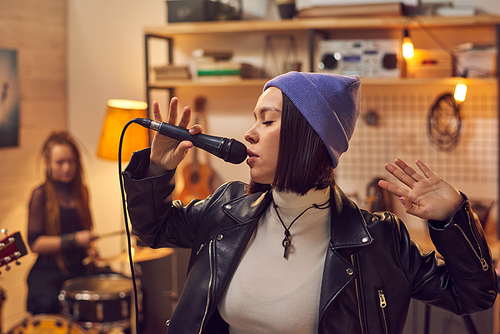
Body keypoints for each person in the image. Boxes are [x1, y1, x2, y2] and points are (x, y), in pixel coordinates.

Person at [123, 72, 498, 334]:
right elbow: (151, 229)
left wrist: (453, 219)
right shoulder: (226, 209)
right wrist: (156, 170)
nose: (249, 133)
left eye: (267, 121)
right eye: (254, 119)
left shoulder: (380, 240)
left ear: (309, 136)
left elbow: (474, 294)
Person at [26, 131, 99, 315]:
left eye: (71, 161)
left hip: (79, 266)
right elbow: (35, 243)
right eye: (60, 162)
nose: (66, 167)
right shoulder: (39, 195)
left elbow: (85, 231)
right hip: (48, 270)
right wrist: (73, 239)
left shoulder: (82, 191)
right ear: (48, 163)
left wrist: (90, 248)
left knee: (127, 286)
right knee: (46, 302)